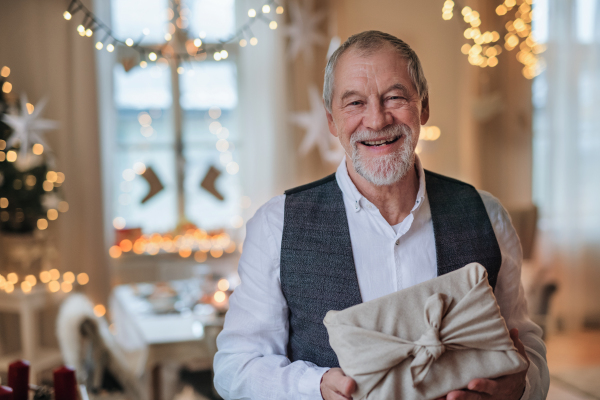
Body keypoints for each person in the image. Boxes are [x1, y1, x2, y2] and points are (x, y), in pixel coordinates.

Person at [213, 30, 549, 400]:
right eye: (355, 103)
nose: (376, 120)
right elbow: (235, 368)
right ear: (331, 121)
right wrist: (317, 387)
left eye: (395, 97)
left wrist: (522, 386)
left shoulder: (487, 215)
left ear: (423, 107)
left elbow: (525, 341)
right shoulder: (276, 225)